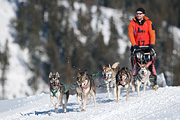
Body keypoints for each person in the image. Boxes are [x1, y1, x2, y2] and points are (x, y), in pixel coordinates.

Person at [128, 7, 157, 90]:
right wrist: (134, 45)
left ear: (143, 14)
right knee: (135, 63)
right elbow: (131, 35)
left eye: (140, 13)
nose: (138, 15)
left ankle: (153, 79)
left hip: (147, 46)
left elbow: (152, 34)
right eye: (137, 13)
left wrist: (152, 44)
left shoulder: (148, 23)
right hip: (136, 46)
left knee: (151, 62)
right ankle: (135, 80)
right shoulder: (132, 23)